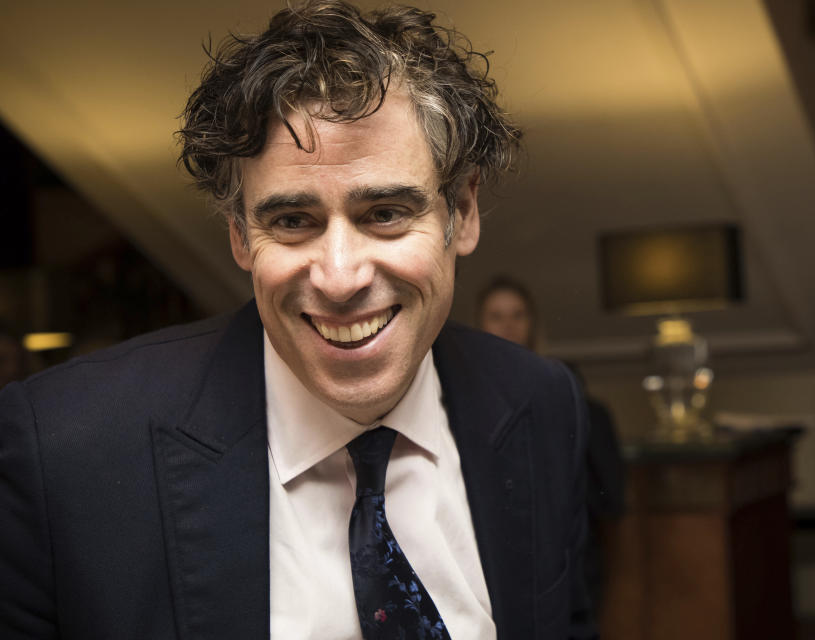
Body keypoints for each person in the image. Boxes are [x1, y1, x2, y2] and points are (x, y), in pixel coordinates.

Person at [0, 3, 596, 639]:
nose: (339, 278)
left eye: (387, 213)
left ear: (464, 212)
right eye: (291, 222)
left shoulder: (540, 403)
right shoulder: (61, 451)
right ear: (238, 236)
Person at [476, 278, 625, 613]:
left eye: (518, 315)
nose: (508, 326)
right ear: (480, 324)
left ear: (532, 323)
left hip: (563, 560)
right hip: (491, 564)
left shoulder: (572, 398)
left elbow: (610, 498)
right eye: (496, 316)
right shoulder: (460, 399)